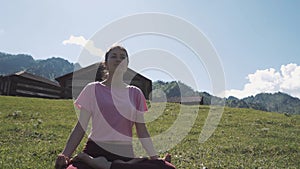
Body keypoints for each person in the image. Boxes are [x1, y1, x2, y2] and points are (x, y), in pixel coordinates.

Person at [55, 46, 176, 169]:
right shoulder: (93, 89)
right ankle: (119, 165)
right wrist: (65, 155)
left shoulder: (135, 93)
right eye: (113, 56)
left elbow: (142, 130)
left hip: (124, 153)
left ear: (127, 65)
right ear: (106, 64)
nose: (118, 60)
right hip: (95, 150)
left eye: (122, 57)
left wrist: (155, 159)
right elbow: (81, 126)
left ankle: (101, 164)